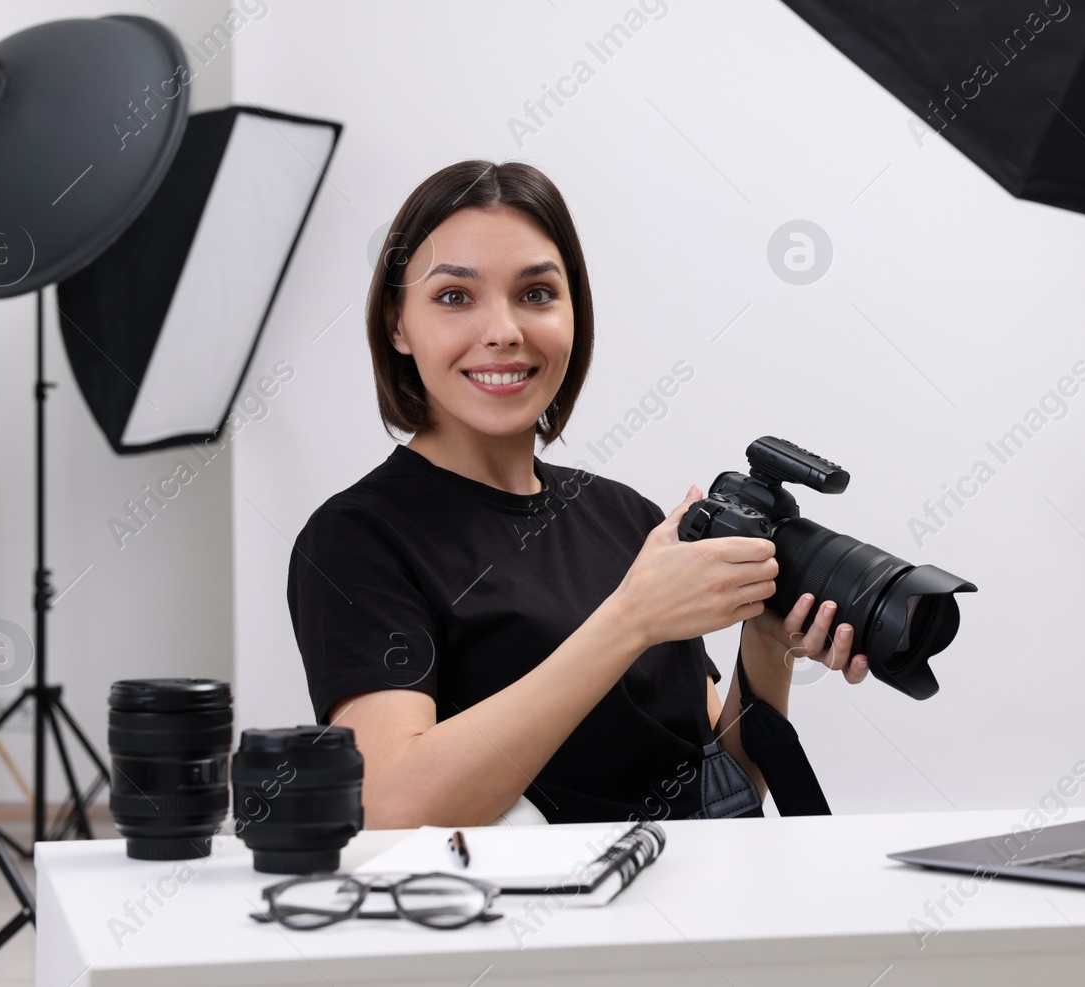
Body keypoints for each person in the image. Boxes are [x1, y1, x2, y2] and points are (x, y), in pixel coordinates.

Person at [287, 160, 867, 829]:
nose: (504, 330)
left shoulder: (623, 516)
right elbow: (393, 804)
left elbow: (725, 784)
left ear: (573, 312)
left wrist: (767, 641)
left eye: (536, 293)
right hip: (548, 927)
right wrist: (630, 620)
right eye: (454, 297)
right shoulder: (357, 539)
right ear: (397, 324)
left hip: (703, 910)